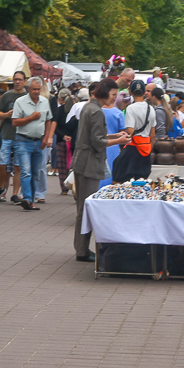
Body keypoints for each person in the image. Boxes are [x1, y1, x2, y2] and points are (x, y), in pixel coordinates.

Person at [72, 78, 131, 262]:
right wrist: (119, 141)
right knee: (86, 209)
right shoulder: (96, 111)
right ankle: (82, 250)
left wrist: (114, 135)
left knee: (82, 208)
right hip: (90, 164)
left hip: (82, 162)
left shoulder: (89, 107)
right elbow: (98, 142)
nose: (115, 99)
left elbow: (93, 136)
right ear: (105, 93)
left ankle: (80, 248)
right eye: (113, 95)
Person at [11, 76, 54, 210]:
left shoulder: (44, 102)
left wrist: (46, 137)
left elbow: (48, 120)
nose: (36, 91)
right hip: (23, 140)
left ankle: (31, 200)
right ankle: (27, 198)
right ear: (28, 88)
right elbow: (15, 122)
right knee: (26, 172)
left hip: (38, 141)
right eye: (33, 89)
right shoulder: (20, 102)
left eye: (38, 89)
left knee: (35, 173)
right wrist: (31, 118)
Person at [0, 71, 27, 204]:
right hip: (6, 133)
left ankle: (15, 194)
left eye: (20, 79)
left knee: (18, 166)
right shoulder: (7, 96)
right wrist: (7, 115)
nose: (17, 82)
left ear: (24, 81)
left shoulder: (27, 96)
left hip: (21, 134)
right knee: (2, 163)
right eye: (15, 79)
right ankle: (1, 187)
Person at [113, 79, 154, 183]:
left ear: (131, 92)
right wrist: (149, 149)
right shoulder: (151, 108)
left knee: (119, 173)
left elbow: (130, 131)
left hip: (133, 148)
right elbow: (152, 133)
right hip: (146, 148)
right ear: (145, 92)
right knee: (141, 180)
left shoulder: (131, 108)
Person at [100, 93, 126, 188]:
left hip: (101, 143)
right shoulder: (118, 113)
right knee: (111, 170)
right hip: (114, 146)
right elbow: (122, 131)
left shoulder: (98, 111)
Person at [52, 88, 75, 195]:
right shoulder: (75, 109)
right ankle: (75, 186)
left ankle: (64, 189)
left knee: (62, 166)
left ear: (60, 98)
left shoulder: (59, 110)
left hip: (61, 141)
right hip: (74, 141)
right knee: (74, 166)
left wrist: (63, 136)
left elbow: (55, 127)